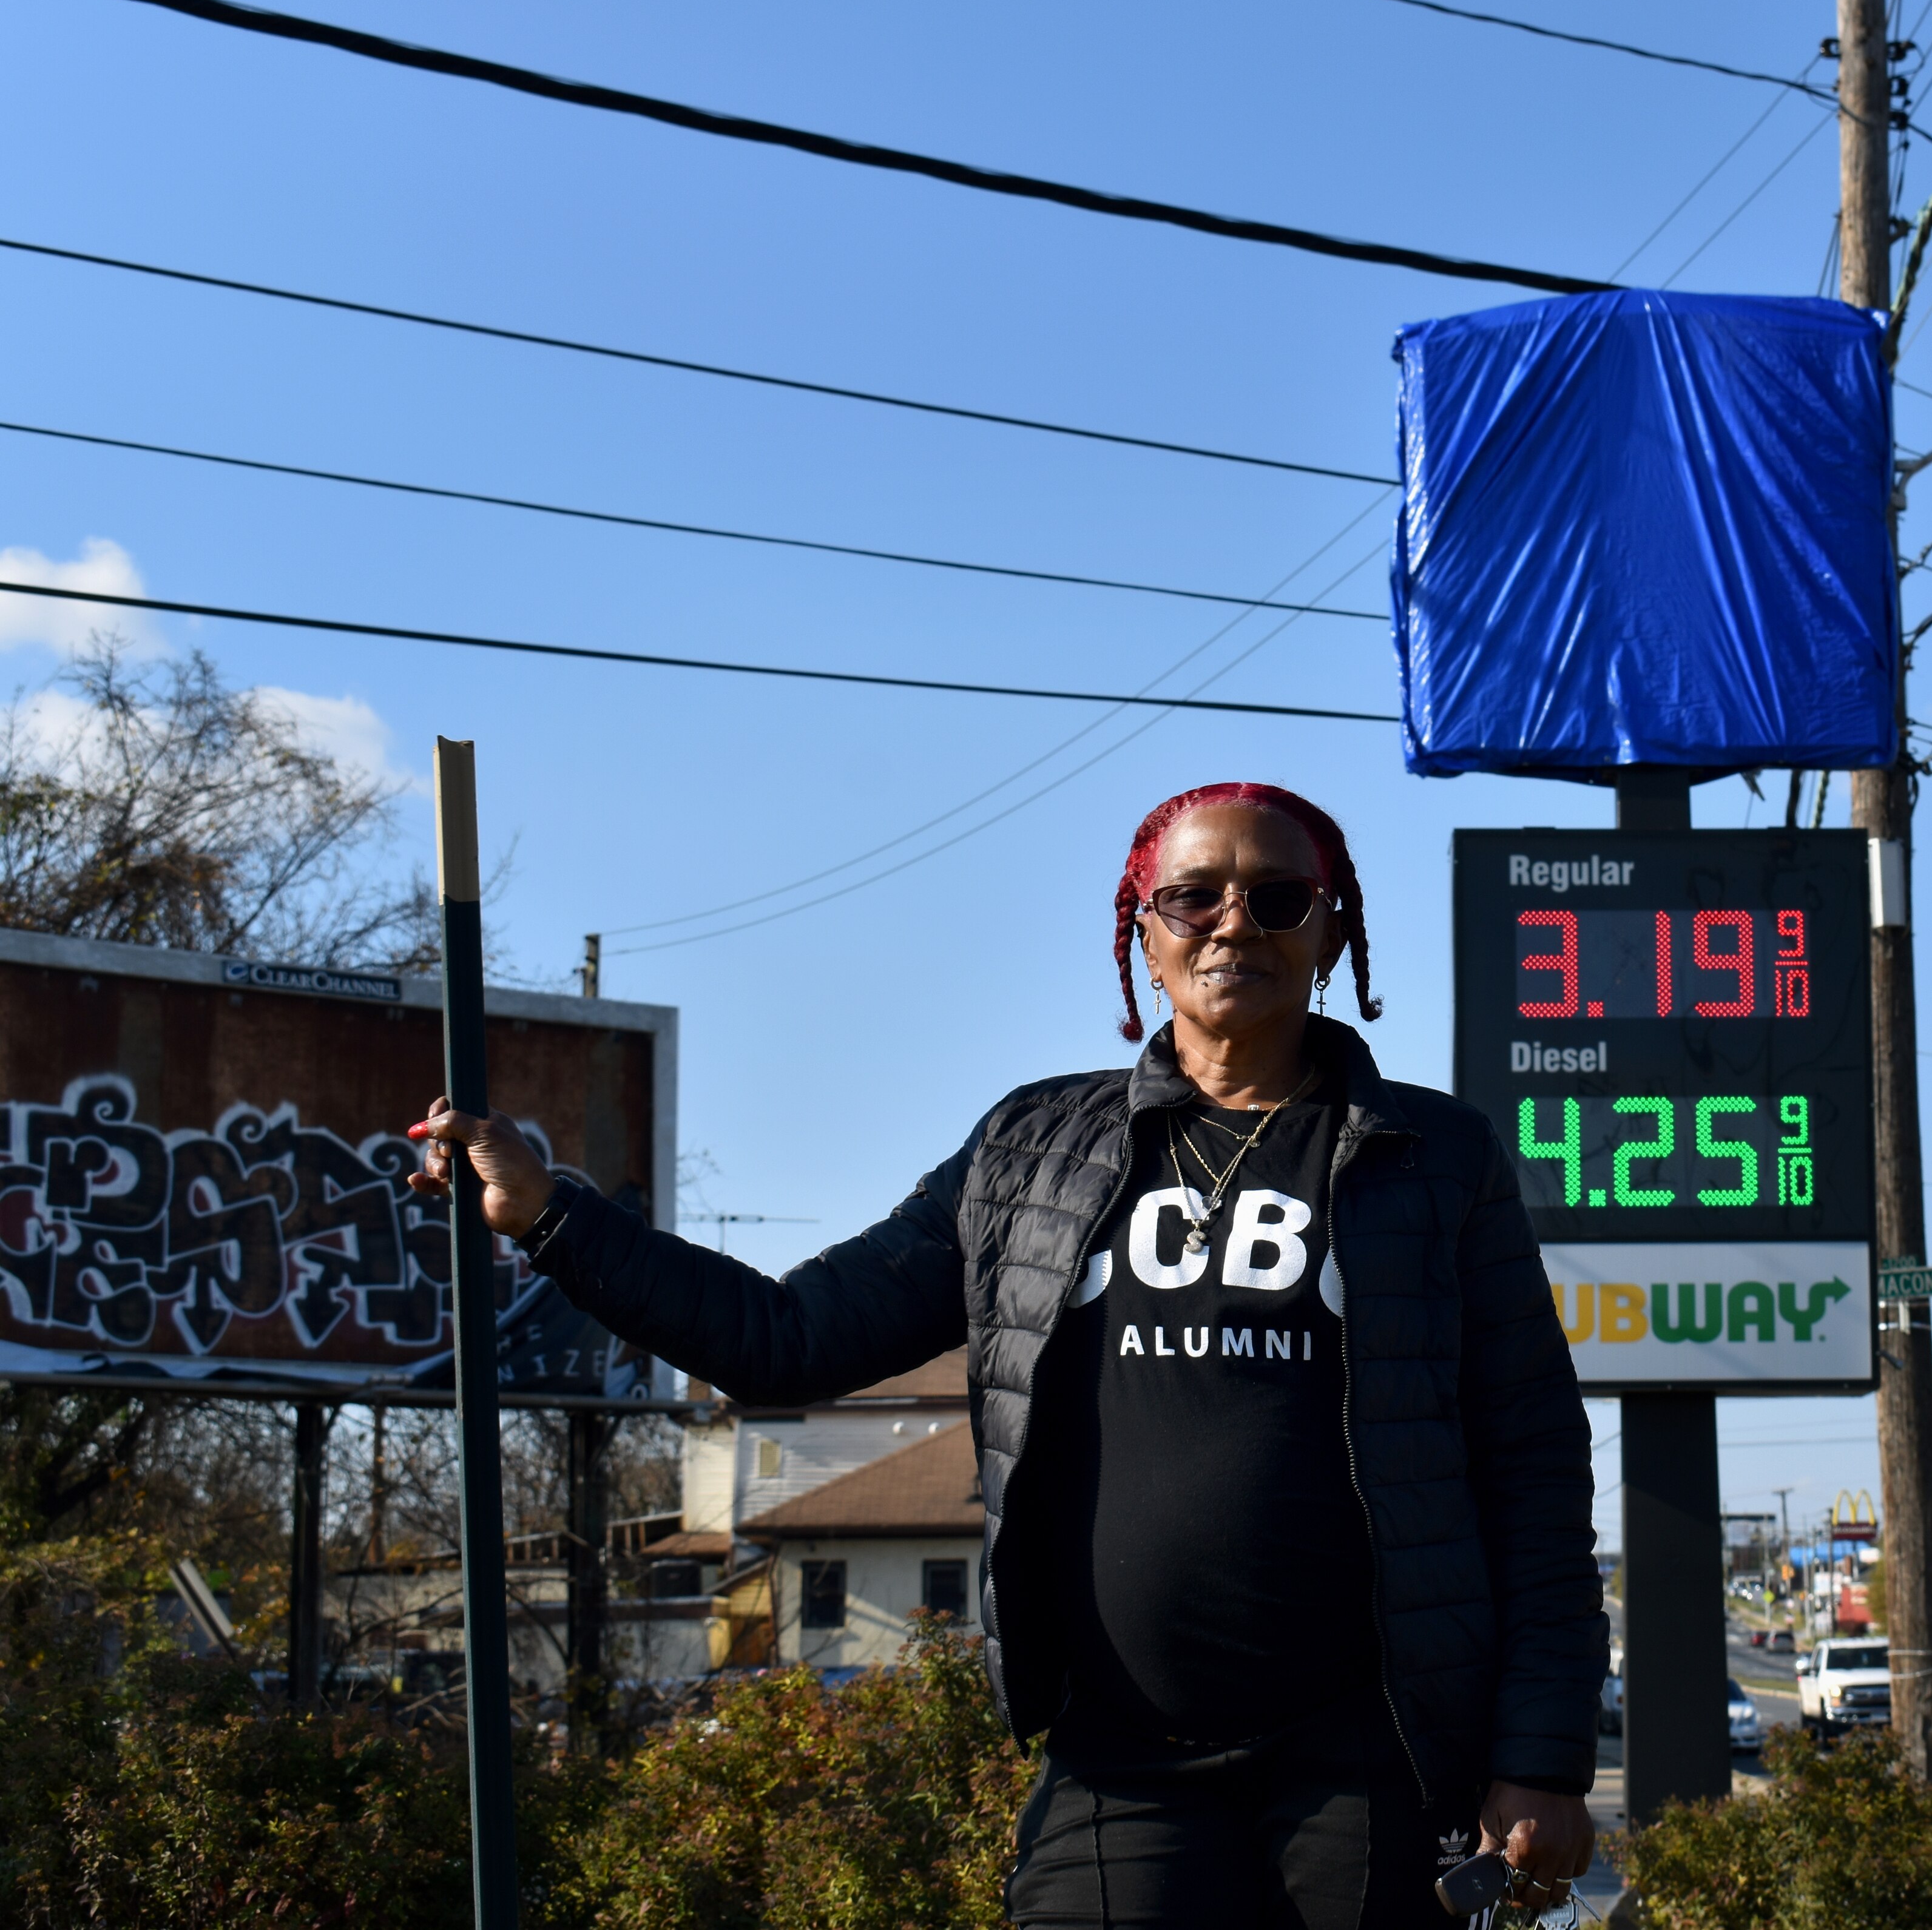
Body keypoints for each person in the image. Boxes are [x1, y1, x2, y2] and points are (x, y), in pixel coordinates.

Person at [411, 783, 1605, 1927]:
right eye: (1196, 895)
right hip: (1119, 1761)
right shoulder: (1032, 1149)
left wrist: (1542, 1756)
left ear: (1333, 928)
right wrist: (552, 1214)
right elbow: (789, 1338)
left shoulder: (1435, 1157)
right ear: (1143, 930)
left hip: (1373, 1758)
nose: (1235, 919)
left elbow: (1532, 1467)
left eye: (1279, 896)